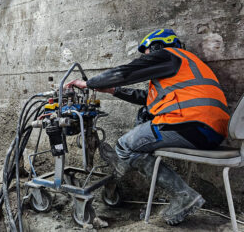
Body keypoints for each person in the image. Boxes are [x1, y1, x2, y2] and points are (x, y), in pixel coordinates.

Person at [66, 29, 230, 225]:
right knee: (142, 124)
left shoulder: (168, 55)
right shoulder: (188, 67)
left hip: (191, 124)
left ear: (158, 46)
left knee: (125, 146)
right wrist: (114, 90)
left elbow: (125, 72)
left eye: (148, 53)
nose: (147, 57)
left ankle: (182, 194)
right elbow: (147, 99)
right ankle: (124, 164)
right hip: (213, 130)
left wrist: (89, 83)